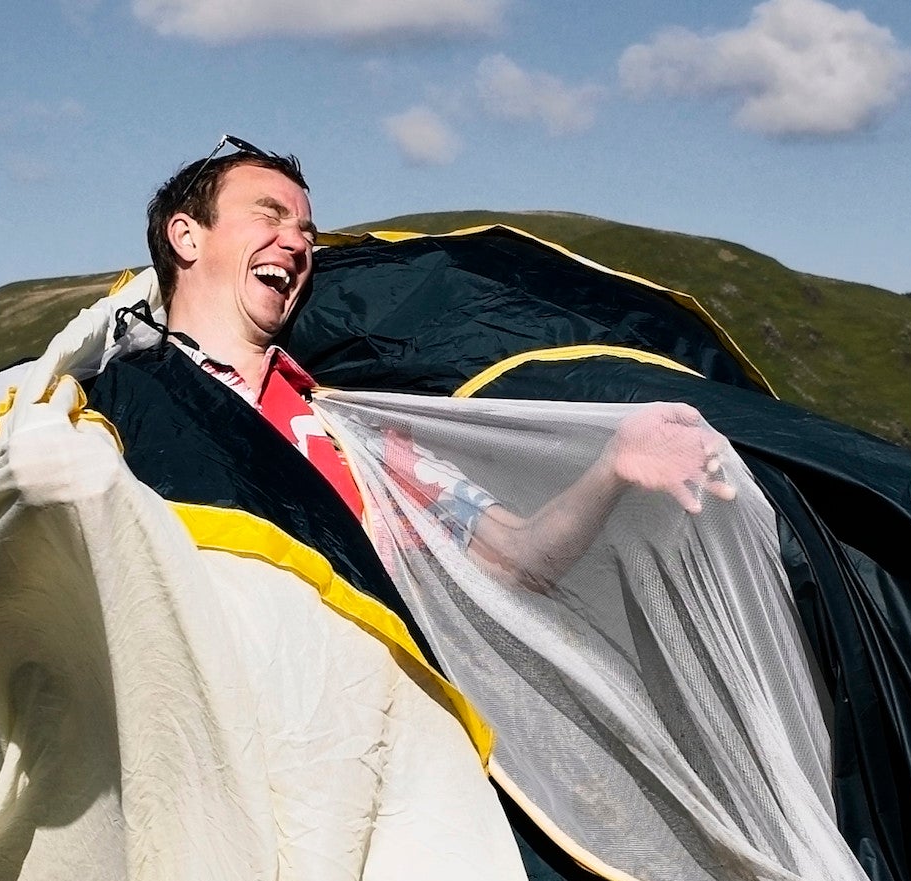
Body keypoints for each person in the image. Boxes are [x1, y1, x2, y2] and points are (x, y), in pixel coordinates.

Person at [147, 140, 736, 587]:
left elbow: (521, 558)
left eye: (306, 229)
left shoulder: (355, 436)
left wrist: (613, 464)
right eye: (269, 215)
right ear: (187, 237)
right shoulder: (103, 412)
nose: (299, 242)